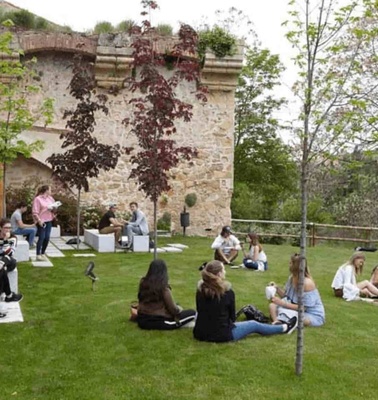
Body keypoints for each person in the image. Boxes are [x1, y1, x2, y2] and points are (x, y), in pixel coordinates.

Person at [193, 260, 297, 343]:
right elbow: (232, 319)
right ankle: (284, 327)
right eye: (224, 269)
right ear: (219, 274)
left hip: (199, 333)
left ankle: (280, 326)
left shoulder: (200, 291)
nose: (225, 271)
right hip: (221, 335)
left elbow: (200, 311)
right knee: (253, 324)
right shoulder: (227, 292)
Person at [137, 259, 196, 330]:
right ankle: (182, 323)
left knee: (177, 305)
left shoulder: (143, 283)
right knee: (192, 313)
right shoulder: (163, 288)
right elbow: (173, 310)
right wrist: (179, 310)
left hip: (141, 319)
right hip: (158, 321)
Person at [269, 254, 325, 327]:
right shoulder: (292, 278)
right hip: (294, 309)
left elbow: (303, 308)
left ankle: (282, 321)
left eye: (290, 263)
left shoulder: (307, 283)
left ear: (296, 266)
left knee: (299, 318)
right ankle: (277, 322)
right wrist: (276, 288)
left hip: (310, 314)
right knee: (272, 306)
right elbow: (287, 297)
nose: (289, 265)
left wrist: (282, 303)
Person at [32, 185, 57, 261]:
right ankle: (38, 255)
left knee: (47, 237)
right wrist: (39, 220)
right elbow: (35, 212)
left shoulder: (51, 199)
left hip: (49, 220)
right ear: (46, 190)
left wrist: (54, 208)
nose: (51, 191)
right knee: (42, 237)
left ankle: (43, 253)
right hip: (41, 221)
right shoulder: (38, 199)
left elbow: (54, 210)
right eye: (50, 190)